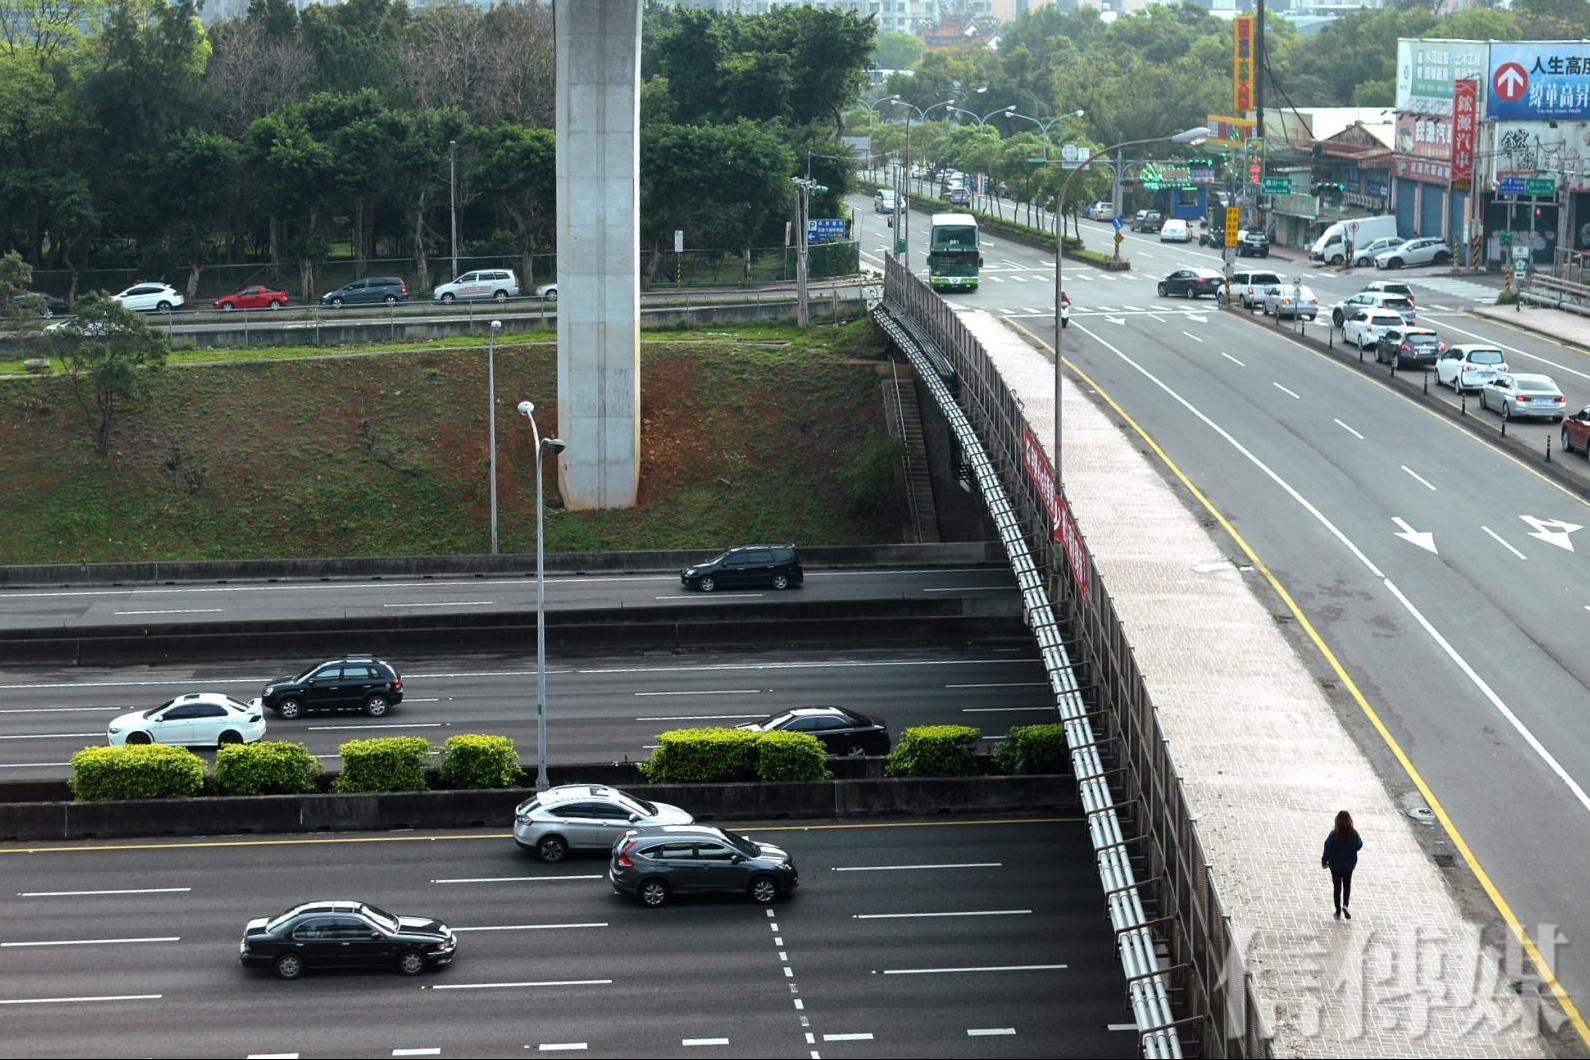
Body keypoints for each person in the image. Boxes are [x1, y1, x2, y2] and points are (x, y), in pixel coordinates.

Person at [1322, 810, 1363, 919]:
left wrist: (1324, 861)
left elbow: (1327, 847)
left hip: (1335, 865)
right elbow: (1359, 845)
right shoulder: (1353, 833)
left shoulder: (1334, 834)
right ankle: (1345, 905)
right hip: (1349, 865)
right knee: (1347, 884)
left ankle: (1338, 909)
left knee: (1337, 887)